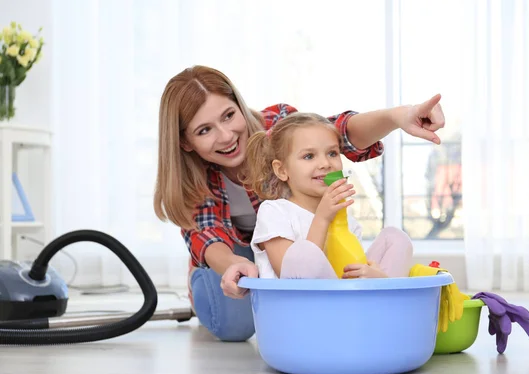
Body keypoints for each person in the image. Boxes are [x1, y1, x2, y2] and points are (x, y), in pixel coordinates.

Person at [154, 65, 445, 342]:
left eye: (229, 116)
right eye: (204, 130)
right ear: (186, 142)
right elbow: (209, 237)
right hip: (239, 248)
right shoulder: (212, 185)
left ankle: (384, 314)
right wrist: (234, 264)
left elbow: (337, 132)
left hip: (308, 241)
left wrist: (398, 116)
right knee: (234, 327)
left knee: (394, 238)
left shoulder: (278, 129)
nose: (226, 135)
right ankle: (202, 280)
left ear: (239, 105)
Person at [243, 112, 413, 280]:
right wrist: (322, 218)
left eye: (332, 153)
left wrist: (371, 274)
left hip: (345, 301)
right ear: (282, 170)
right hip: (297, 304)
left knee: (395, 238)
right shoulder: (274, 211)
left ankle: (384, 291)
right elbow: (290, 276)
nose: (325, 164)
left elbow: (344, 273)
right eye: (309, 156)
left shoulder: (346, 221)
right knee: (300, 255)